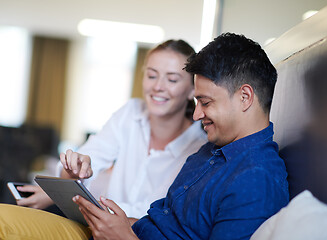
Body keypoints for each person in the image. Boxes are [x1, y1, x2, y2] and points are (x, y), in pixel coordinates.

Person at [0, 33, 288, 240]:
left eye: (206, 102)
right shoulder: (213, 152)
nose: (197, 115)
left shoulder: (257, 178)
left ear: (245, 97)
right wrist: (114, 222)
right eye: (152, 75)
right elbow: (162, 222)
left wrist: (124, 235)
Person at [15, 39, 208, 218]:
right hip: (96, 224)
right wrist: (74, 172)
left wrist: (67, 198)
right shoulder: (130, 113)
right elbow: (86, 162)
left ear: (193, 88)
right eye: (151, 75)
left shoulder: (199, 147)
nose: (158, 86)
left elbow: (154, 212)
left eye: (172, 80)